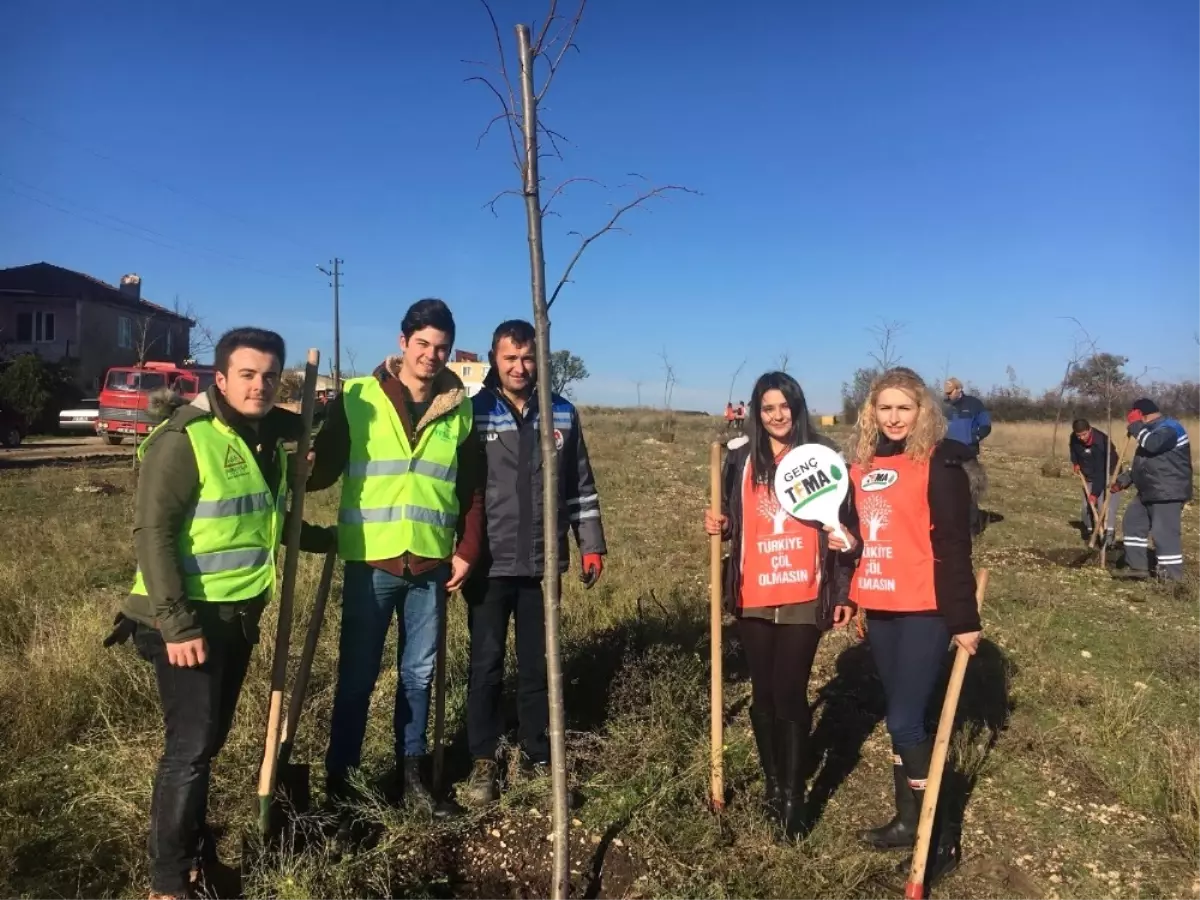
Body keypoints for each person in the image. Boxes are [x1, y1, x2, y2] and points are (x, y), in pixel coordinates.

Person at [106, 327, 333, 900]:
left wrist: (318, 538)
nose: (259, 386)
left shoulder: (259, 437)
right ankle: (167, 883)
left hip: (235, 616)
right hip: (185, 620)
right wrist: (177, 624)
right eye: (247, 375)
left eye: (269, 377)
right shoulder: (184, 438)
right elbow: (151, 534)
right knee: (190, 748)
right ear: (221, 378)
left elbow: (259, 520)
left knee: (204, 743)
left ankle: (192, 852)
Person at [307, 298, 483, 809]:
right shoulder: (359, 397)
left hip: (430, 566)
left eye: (441, 347)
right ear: (403, 342)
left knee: (419, 675)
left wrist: (467, 550)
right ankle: (343, 785)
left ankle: (412, 779)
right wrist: (296, 464)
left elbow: (470, 489)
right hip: (370, 563)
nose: (431, 355)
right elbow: (325, 470)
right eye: (423, 343)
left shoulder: (460, 408)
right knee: (357, 677)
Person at [703, 372, 859, 838]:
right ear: (757, 411)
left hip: (804, 593)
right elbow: (734, 518)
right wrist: (719, 523)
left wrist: (845, 589)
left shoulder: (824, 456)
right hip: (752, 593)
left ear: (798, 407)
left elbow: (847, 528)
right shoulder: (739, 459)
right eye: (768, 408)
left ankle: (794, 798)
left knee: (790, 691)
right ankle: (772, 784)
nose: (777, 416)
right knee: (763, 693)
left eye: (784, 406)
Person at [848, 368, 981, 889]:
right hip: (879, 605)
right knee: (900, 716)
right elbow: (860, 532)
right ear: (872, 412)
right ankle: (907, 820)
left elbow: (953, 544)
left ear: (922, 409)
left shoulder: (939, 463)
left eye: (905, 407)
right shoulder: (862, 464)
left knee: (905, 721)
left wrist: (964, 619)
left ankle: (940, 835)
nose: (895, 418)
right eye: (885, 408)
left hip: (926, 607)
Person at [463, 320, 606, 804]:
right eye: (511, 358)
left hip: (542, 565)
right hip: (486, 565)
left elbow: (580, 486)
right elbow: (459, 490)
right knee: (485, 665)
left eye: (528, 359)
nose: (520, 367)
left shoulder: (561, 414)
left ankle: (537, 753)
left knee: (536, 665)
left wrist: (591, 543)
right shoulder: (474, 413)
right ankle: (483, 758)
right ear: (494, 359)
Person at [1112, 399, 1192, 581]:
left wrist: (1135, 426)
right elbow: (1144, 464)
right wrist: (1123, 481)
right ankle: (1137, 568)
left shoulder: (1170, 428)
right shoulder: (1149, 432)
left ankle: (1172, 580)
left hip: (1167, 491)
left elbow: (1153, 445)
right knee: (1132, 523)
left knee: (1164, 534)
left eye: (1134, 416)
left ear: (1141, 415)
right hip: (1149, 490)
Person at [942, 378, 991, 534]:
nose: (947, 395)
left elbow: (986, 425)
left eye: (950, 392)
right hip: (946, 454)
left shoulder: (974, 404)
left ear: (959, 389)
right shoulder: (944, 407)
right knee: (947, 492)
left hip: (967, 455)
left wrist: (974, 437)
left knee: (969, 492)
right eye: (946, 393)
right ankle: (951, 527)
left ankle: (972, 528)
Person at [1068, 418, 1119, 544]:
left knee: (1104, 506)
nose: (1081, 438)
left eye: (1084, 434)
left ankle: (1108, 536)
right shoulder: (1074, 438)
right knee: (1086, 506)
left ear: (1089, 430)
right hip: (1089, 473)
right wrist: (1075, 463)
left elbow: (1101, 472)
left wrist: (1094, 494)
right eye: (1078, 435)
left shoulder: (1101, 442)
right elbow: (1073, 450)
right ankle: (1091, 533)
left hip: (1109, 473)